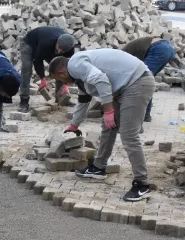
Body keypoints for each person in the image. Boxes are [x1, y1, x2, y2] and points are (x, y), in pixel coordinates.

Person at [48, 50, 155, 202]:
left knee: (128, 135)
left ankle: (142, 184)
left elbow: (102, 80)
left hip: (137, 82)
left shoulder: (75, 64)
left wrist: (108, 110)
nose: (63, 83)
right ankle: (98, 167)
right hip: (124, 87)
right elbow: (84, 101)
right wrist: (74, 124)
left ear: (62, 72)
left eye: (59, 79)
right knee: (108, 126)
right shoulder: (79, 74)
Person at [17, 26, 77, 112]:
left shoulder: (70, 49)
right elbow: (37, 60)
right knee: (26, 69)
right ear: (57, 42)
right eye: (59, 47)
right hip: (29, 43)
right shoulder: (46, 43)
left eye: (62, 51)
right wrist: (43, 79)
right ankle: (24, 100)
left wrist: (65, 84)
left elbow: (66, 68)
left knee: (59, 68)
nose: (60, 51)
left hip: (48, 46)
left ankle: (60, 98)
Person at [122, 35, 177, 122]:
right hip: (167, 48)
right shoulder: (125, 54)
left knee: (142, 81)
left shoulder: (122, 56)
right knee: (147, 81)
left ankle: (139, 116)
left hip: (158, 49)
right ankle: (146, 115)